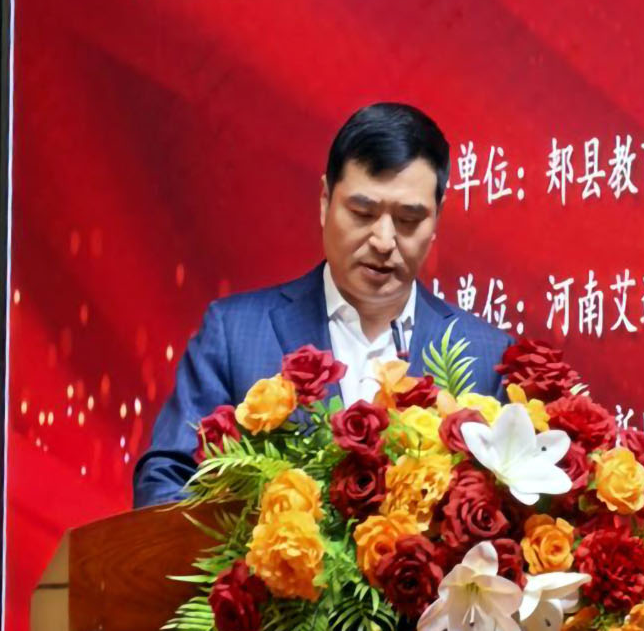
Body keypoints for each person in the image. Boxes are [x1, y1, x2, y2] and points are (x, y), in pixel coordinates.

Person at [132, 102, 513, 507]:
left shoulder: (486, 356)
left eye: (408, 220)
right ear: (325, 201)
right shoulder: (235, 335)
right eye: (362, 213)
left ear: (436, 219)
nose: (384, 241)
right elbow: (165, 482)